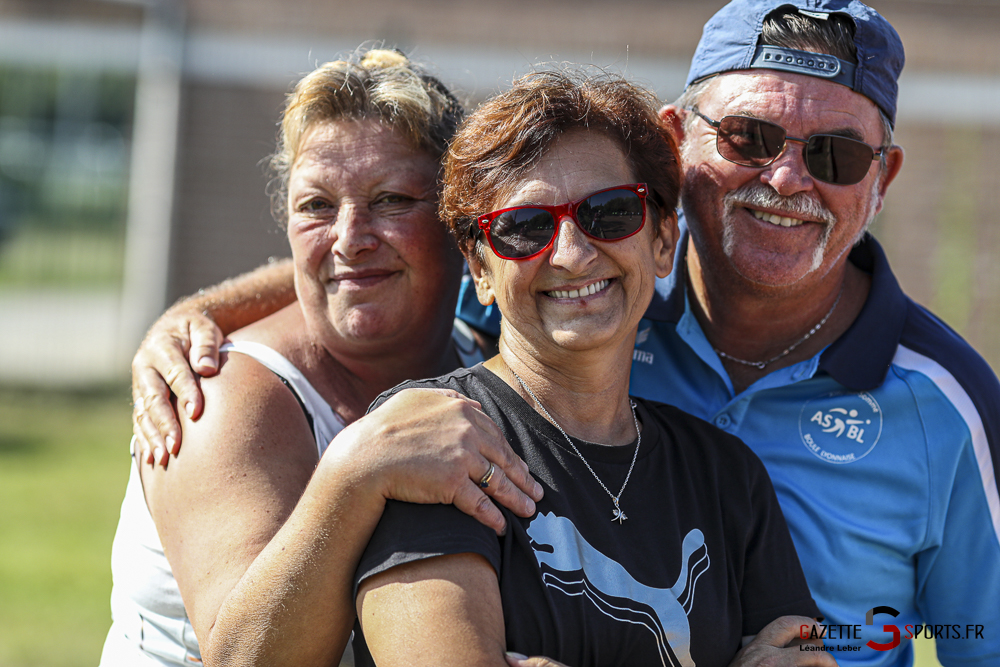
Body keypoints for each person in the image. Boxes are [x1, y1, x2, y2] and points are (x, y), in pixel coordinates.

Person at [131, 2, 1000, 665]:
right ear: (680, 141)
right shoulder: (435, 435)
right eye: (748, 135)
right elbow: (379, 255)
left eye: (835, 155)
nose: (786, 176)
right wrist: (198, 315)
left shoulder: (932, 414)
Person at [351, 68, 820, 666]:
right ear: (480, 270)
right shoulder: (434, 443)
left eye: (611, 213)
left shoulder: (725, 475)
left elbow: (802, 652)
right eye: (524, 228)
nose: (572, 255)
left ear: (661, 241)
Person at [100, 49, 543, 667]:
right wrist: (360, 466)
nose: (350, 238)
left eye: (391, 200)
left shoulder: (486, 356)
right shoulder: (225, 398)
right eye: (316, 206)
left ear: (457, 223)